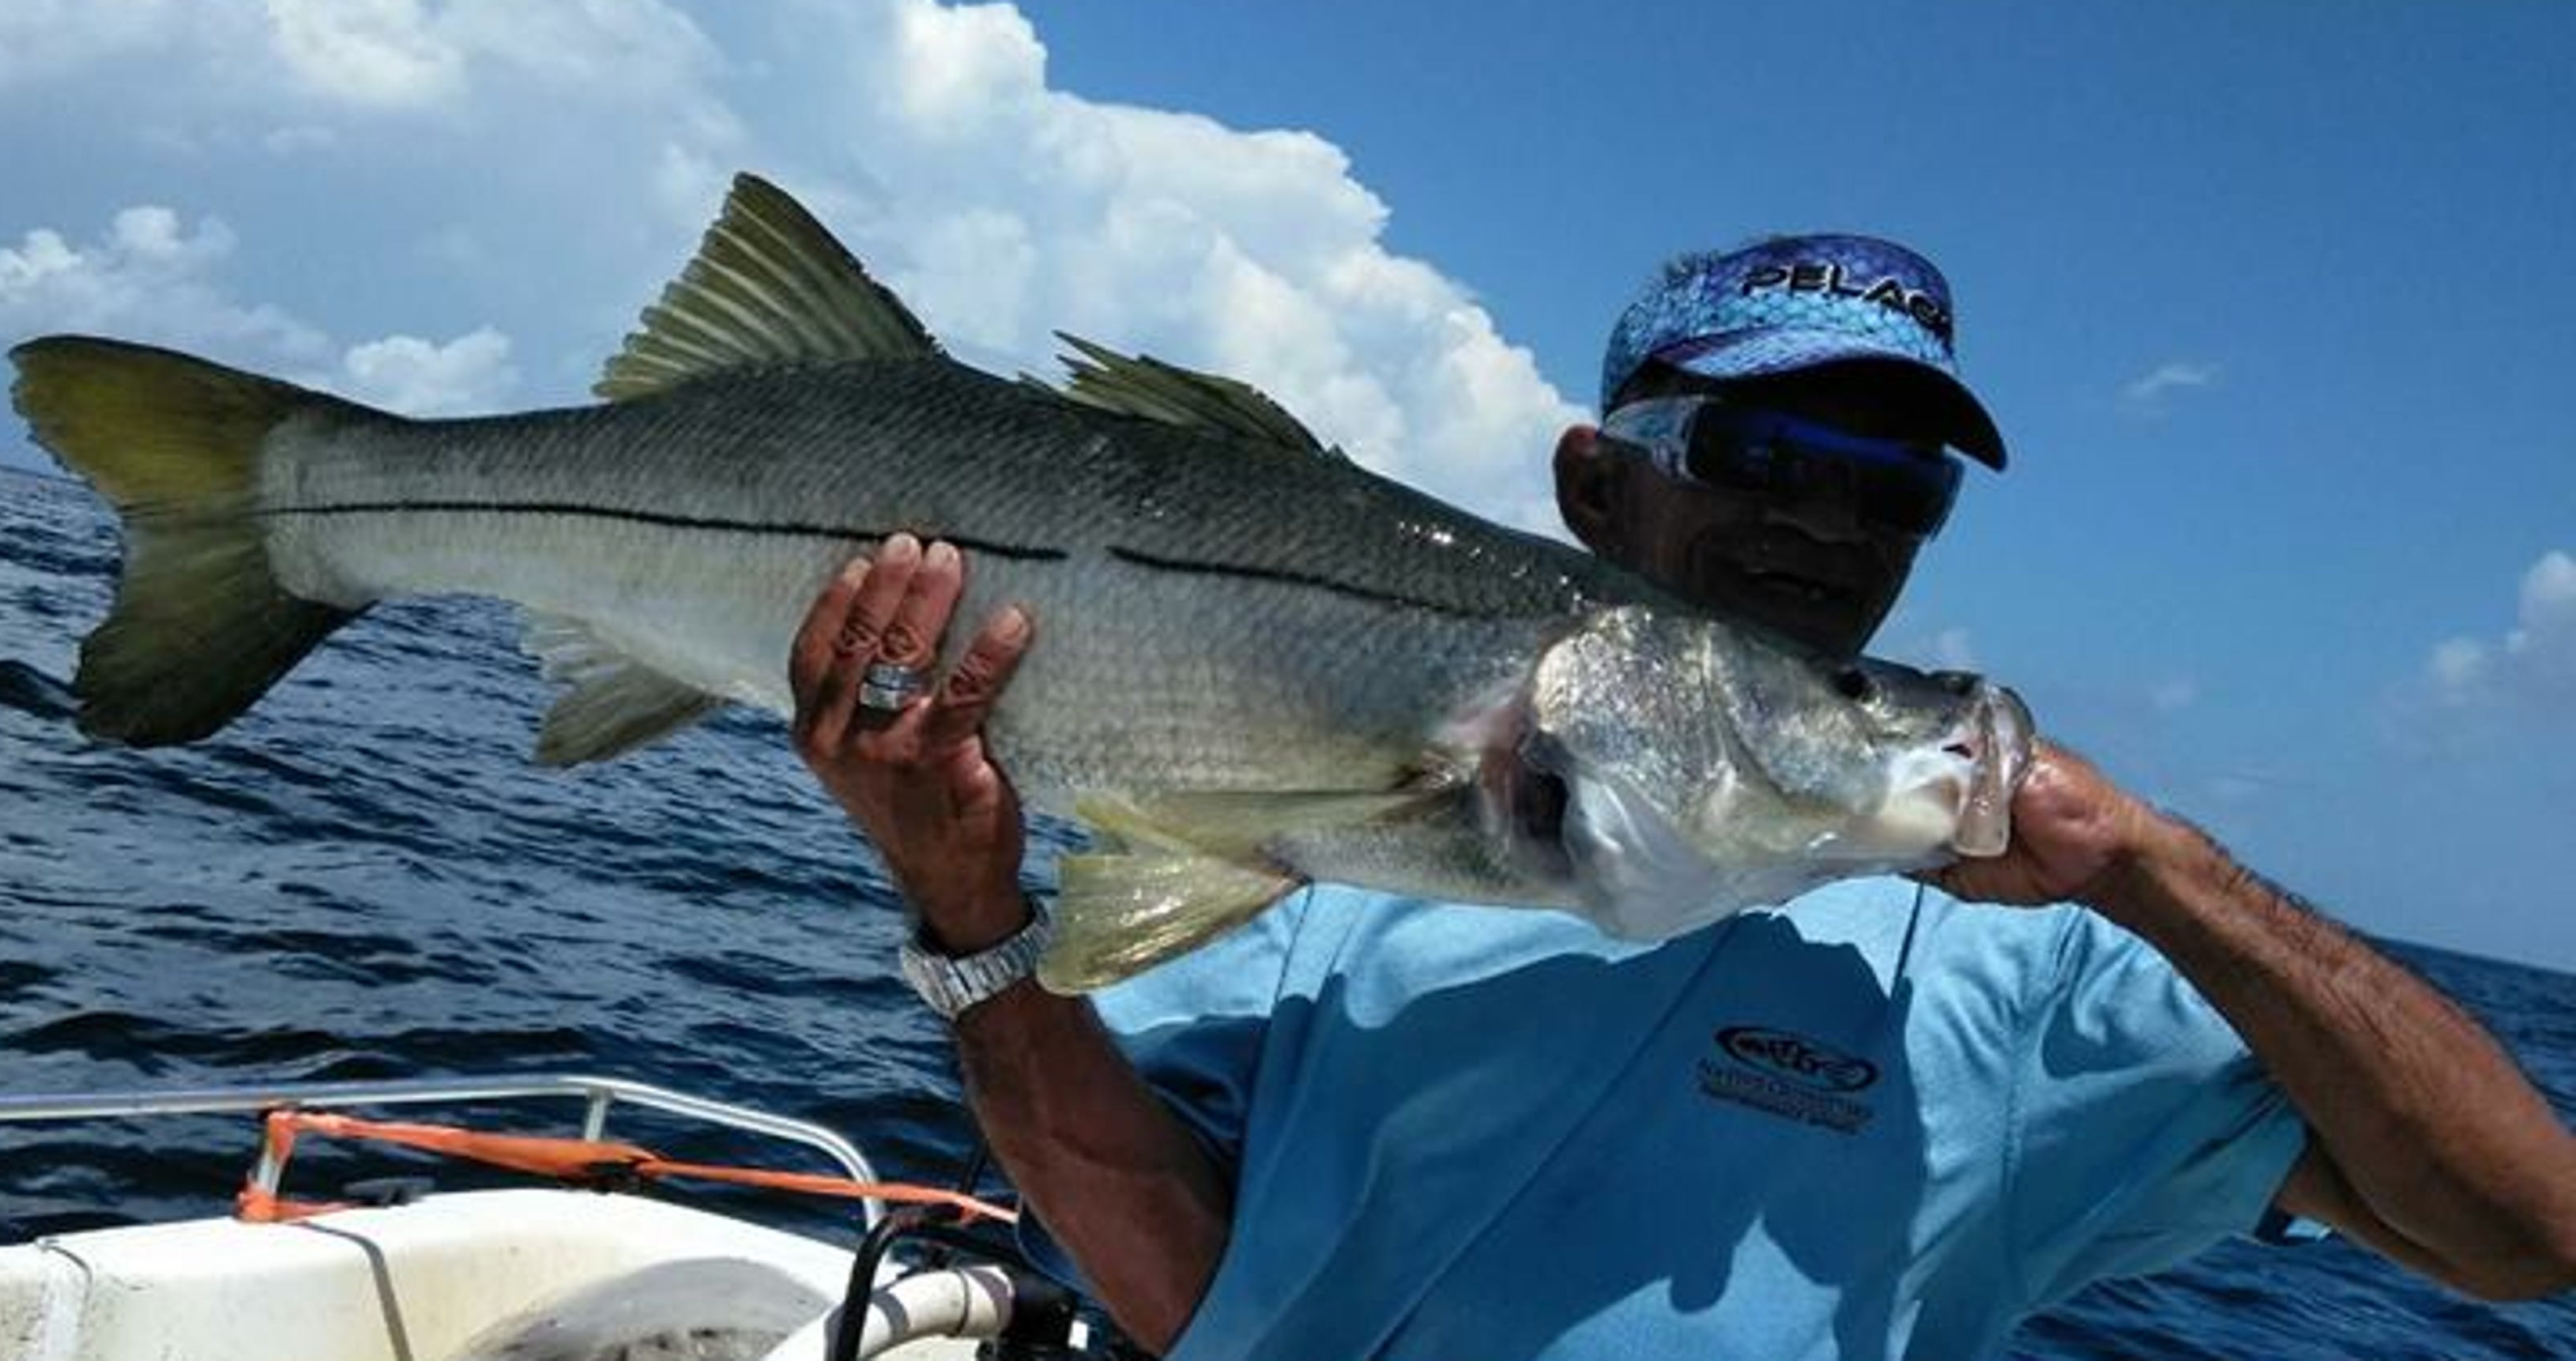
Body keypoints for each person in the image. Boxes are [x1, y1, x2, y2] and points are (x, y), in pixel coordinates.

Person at [784, 235, 2576, 1359]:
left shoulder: (2042, 965)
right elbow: (1171, 1281)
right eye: (1765, 455)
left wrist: (2171, 877)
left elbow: (2525, 1239)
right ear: (1594, 487)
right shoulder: (1290, 852)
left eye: (1897, 492)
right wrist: (974, 920)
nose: (1826, 520)